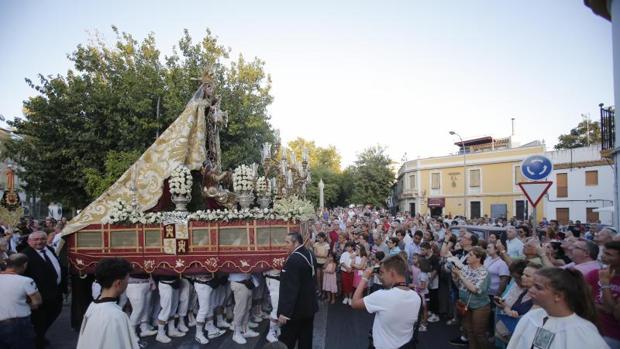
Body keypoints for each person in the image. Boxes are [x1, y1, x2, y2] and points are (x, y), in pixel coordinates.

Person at [507, 267, 610, 349]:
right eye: (532, 285)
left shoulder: (583, 332)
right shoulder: (531, 317)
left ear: (558, 296)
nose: (531, 290)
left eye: (538, 287)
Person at [351, 254, 422, 349]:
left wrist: (364, 278)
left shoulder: (382, 296)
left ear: (392, 273)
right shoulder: (417, 297)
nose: (381, 276)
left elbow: (354, 303)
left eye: (382, 273)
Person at [76, 258, 139, 349]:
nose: (127, 283)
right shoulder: (116, 316)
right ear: (118, 283)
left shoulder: (92, 306)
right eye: (127, 280)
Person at [22, 231, 65, 349]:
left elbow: (58, 267)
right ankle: (37, 341)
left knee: (53, 314)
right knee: (39, 321)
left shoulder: (49, 250)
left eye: (42, 239)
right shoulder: (25, 255)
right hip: (39, 296)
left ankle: (40, 336)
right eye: (35, 239)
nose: (39, 241)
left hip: (56, 292)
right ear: (29, 241)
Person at [277, 232, 318, 349]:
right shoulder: (309, 253)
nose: (285, 245)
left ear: (296, 243)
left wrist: (284, 313)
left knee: (286, 341)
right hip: (309, 307)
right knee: (305, 340)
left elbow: (289, 289)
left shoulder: (293, 260)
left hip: (295, 312)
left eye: (287, 242)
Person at [451, 246, 491, 349]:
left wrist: (460, 276)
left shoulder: (484, 272)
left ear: (478, 258)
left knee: (478, 333)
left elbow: (475, 289)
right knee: (469, 331)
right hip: (465, 304)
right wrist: (455, 277)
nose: (467, 256)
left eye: (471, 255)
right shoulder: (465, 268)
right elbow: (459, 286)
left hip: (480, 306)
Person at [0, 253, 41, 349]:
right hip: (17, 323)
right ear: (24, 265)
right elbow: (37, 302)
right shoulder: (26, 281)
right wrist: (26, 305)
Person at [585, 241, 620, 348]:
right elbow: (582, 300)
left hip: (612, 335)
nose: (603, 256)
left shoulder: (601, 276)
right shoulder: (594, 274)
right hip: (589, 327)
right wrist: (605, 307)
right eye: (604, 253)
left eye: (609, 254)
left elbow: (613, 312)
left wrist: (605, 284)